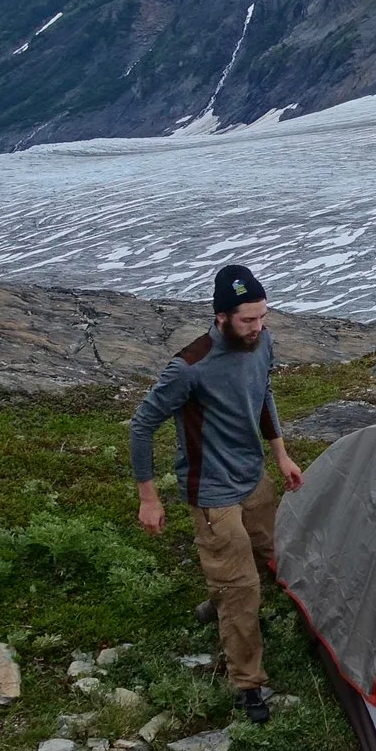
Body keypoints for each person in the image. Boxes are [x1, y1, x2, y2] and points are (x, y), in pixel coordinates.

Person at [129, 263, 304, 724]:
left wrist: (281, 454)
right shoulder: (189, 368)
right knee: (243, 588)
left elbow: (262, 393)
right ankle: (248, 684)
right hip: (212, 492)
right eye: (248, 320)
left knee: (271, 554)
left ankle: (217, 600)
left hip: (254, 478)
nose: (258, 327)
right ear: (221, 316)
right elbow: (142, 426)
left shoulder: (263, 342)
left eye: (262, 317)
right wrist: (149, 498)